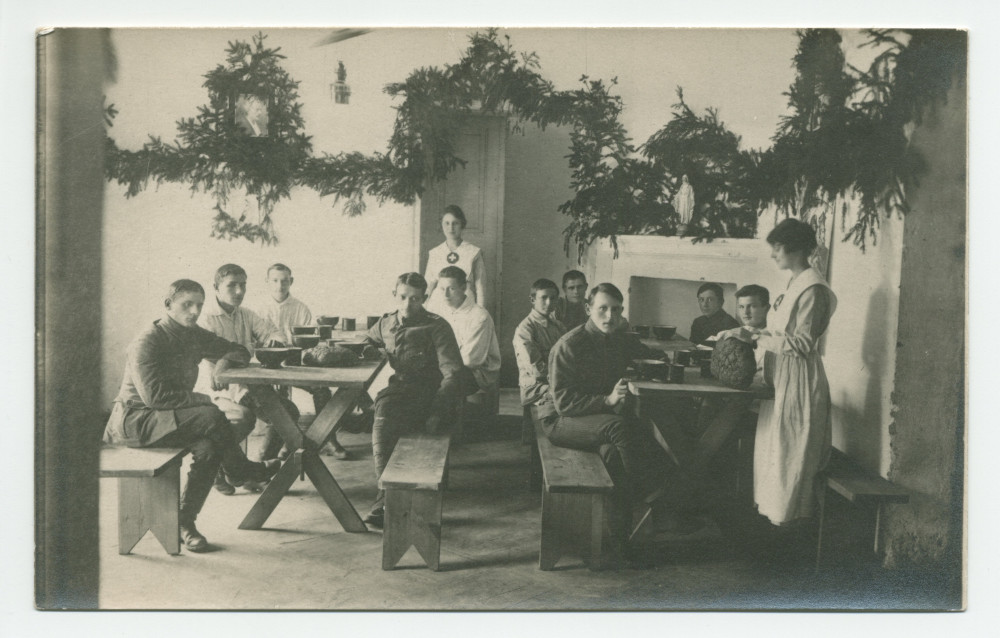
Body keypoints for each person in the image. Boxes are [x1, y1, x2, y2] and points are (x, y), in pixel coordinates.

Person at [102, 279, 280, 552]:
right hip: (136, 421)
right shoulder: (148, 341)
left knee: (209, 448)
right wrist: (204, 398)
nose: (195, 311)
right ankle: (240, 470)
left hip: (169, 416)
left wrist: (221, 363)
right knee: (210, 415)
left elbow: (240, 350)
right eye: (187, 305)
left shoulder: (193, 333)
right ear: (168, 305)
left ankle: (185, 522)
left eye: (199, 305)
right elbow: (156, 398)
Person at [546, 283, 696, 554]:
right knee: (620, 427)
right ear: (588, 309)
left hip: (596, 421)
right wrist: (608, 400)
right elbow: (563, 403)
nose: (609, 316)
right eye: (602, 308)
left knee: (614, 453)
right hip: (561, 420)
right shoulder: (570, 344)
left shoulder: (620, 339)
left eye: (616, 310)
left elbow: (655, 356)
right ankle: (652, 497)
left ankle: (620, 535)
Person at [359, 272, 466, 528]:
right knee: (384, 411)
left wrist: (438, 411)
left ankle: (385, 499)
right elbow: (366, 340)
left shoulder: (437, 326)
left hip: (431, 396)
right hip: (401, 392)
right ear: (394, 294)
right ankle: (386, 496)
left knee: (383, 413)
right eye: (403, 297)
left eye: (415, 299)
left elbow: (453, 373)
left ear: (425, 298)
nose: (408, 305)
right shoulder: (386, 323)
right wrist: (368, 348)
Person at [749, 218, 837, 526]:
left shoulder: (813, 288)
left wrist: (755, 337)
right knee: (775, 447)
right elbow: (780, 332)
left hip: (800, 379)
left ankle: (792, 527)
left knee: (790, 450)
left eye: (777, 247)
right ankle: (776, 521)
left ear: (796, 248)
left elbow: (801, 343)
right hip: (783, 375)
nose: (773, 254)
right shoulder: (794, 283)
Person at [196, 263, 299, 495]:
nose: (239, 291)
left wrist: (275, 342)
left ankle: (259, 464)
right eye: (232, 285)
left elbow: (273, 332)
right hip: (213, 392)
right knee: (245, 418)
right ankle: (221, 468)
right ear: (216, 287)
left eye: (243, 285)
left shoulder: (246, 315)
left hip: (244, 388)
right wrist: (226, 360)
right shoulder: (206, 319)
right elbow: (211, 358)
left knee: (287, 413)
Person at [256, 263, 348, 460]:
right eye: (274, 280)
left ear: (291, 281)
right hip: (268, 366)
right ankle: (286, 442)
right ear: (267, 282)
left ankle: (328, 438)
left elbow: (309, 342)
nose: (280, 285)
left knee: (320, 388)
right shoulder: (259, 309)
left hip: (294, 364)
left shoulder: (300, 308)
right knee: (273, 396)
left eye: (284, 280)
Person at [435, 265, 501, 428]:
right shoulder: (441, 311)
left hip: (477, 372)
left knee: (442, 380)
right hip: (451, 365)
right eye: (442, 288)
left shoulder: (479, 316)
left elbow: (471, 360)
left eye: (451, 288)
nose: (445, 294)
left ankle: (438, 422)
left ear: (464, 288)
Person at [512, 278, 566, 423]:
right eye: (544, 298)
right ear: (532, 299)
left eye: (553, 298)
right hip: (536, 388)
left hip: (556, 381)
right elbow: (537, 370)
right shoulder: (525, 329)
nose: (549, 303)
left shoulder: (558, 326)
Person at [424, 205, 486, 311]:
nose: (451, 228)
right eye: (447, 223)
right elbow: (428, 285)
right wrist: (423, 309)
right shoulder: (435, 253)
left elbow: (480, 287)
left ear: (462, 225)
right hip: (439, 304)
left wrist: (480, 311)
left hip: (465, 305)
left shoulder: (473, 252)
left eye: (455, 223)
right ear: (442, 225)